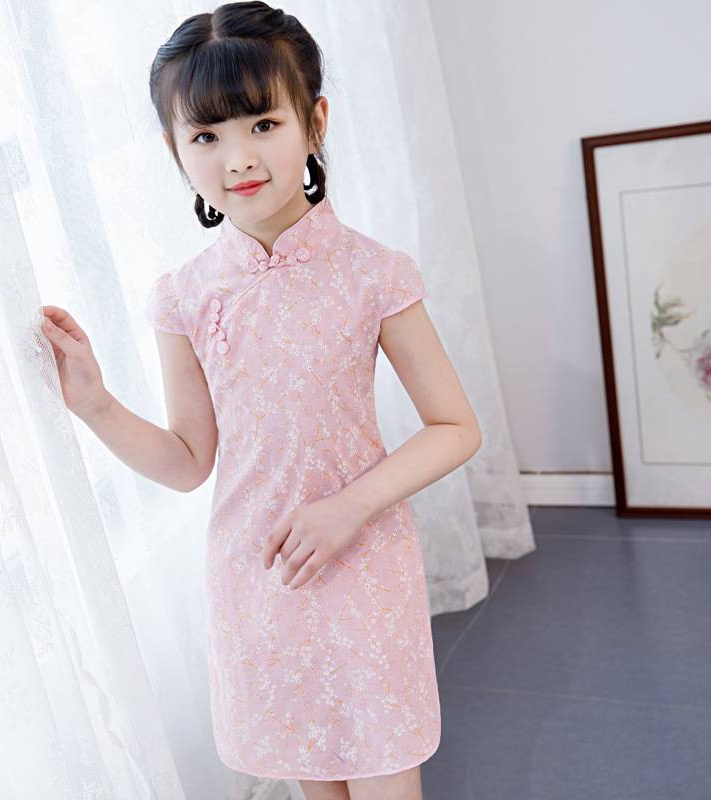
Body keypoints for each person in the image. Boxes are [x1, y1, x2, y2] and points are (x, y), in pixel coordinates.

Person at [40, 2, 482, 798]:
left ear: (315, 122)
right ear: (174, 150)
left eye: (263, 124)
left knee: (385, 773)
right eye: (206, 136)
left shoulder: (374, 272)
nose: (237, 157)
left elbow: (455, 427)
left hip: (364, 563)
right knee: (311, 779)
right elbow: (188, 461)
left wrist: (347, 508)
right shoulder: (182, 296)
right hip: (260, 579)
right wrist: (94, 402)